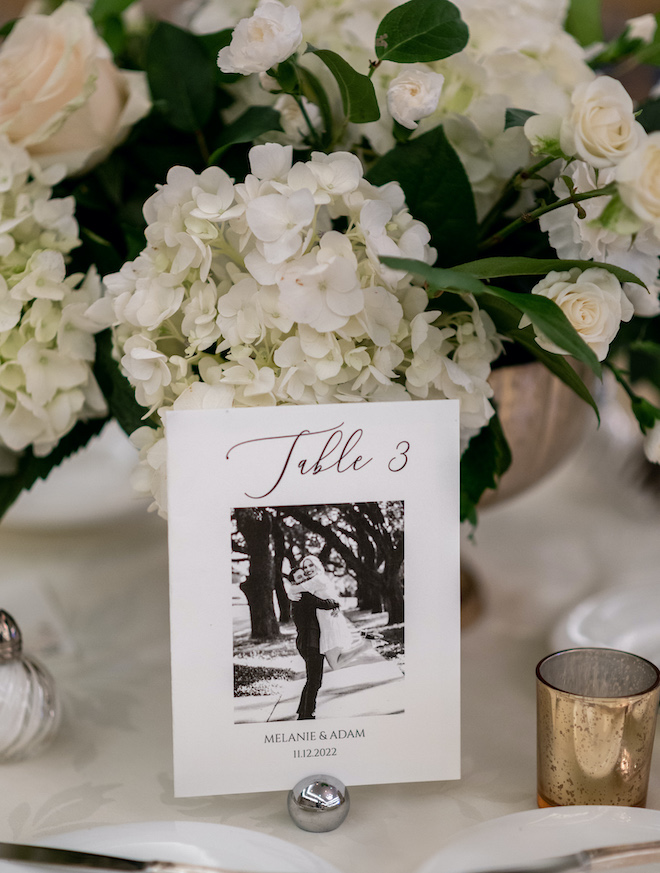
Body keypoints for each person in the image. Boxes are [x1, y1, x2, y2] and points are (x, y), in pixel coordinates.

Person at [293, 556, 367, 670]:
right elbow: (334, 598)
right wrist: (336, 604)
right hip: (327, 622)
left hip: (329, 623)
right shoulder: (319, 579)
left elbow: (293, 589)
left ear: (317, 565)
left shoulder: (317, 580)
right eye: (305, 567)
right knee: (336, 662)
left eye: (311, 565)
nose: (308, 569)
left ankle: (366, 645)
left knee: (335, 664)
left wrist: (290, 595)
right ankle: (365, 644)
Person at [287, 570, 338, 721]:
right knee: (315, 680)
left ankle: (303, 711)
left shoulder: (300, 594)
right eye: (299, 578)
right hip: (310, 643)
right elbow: (324, 604)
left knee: (312, 679)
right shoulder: (304, 595)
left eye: (304, 576)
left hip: (307, 642)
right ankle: (308, 714)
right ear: (294, 582)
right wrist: (336, 603)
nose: (303, 579)